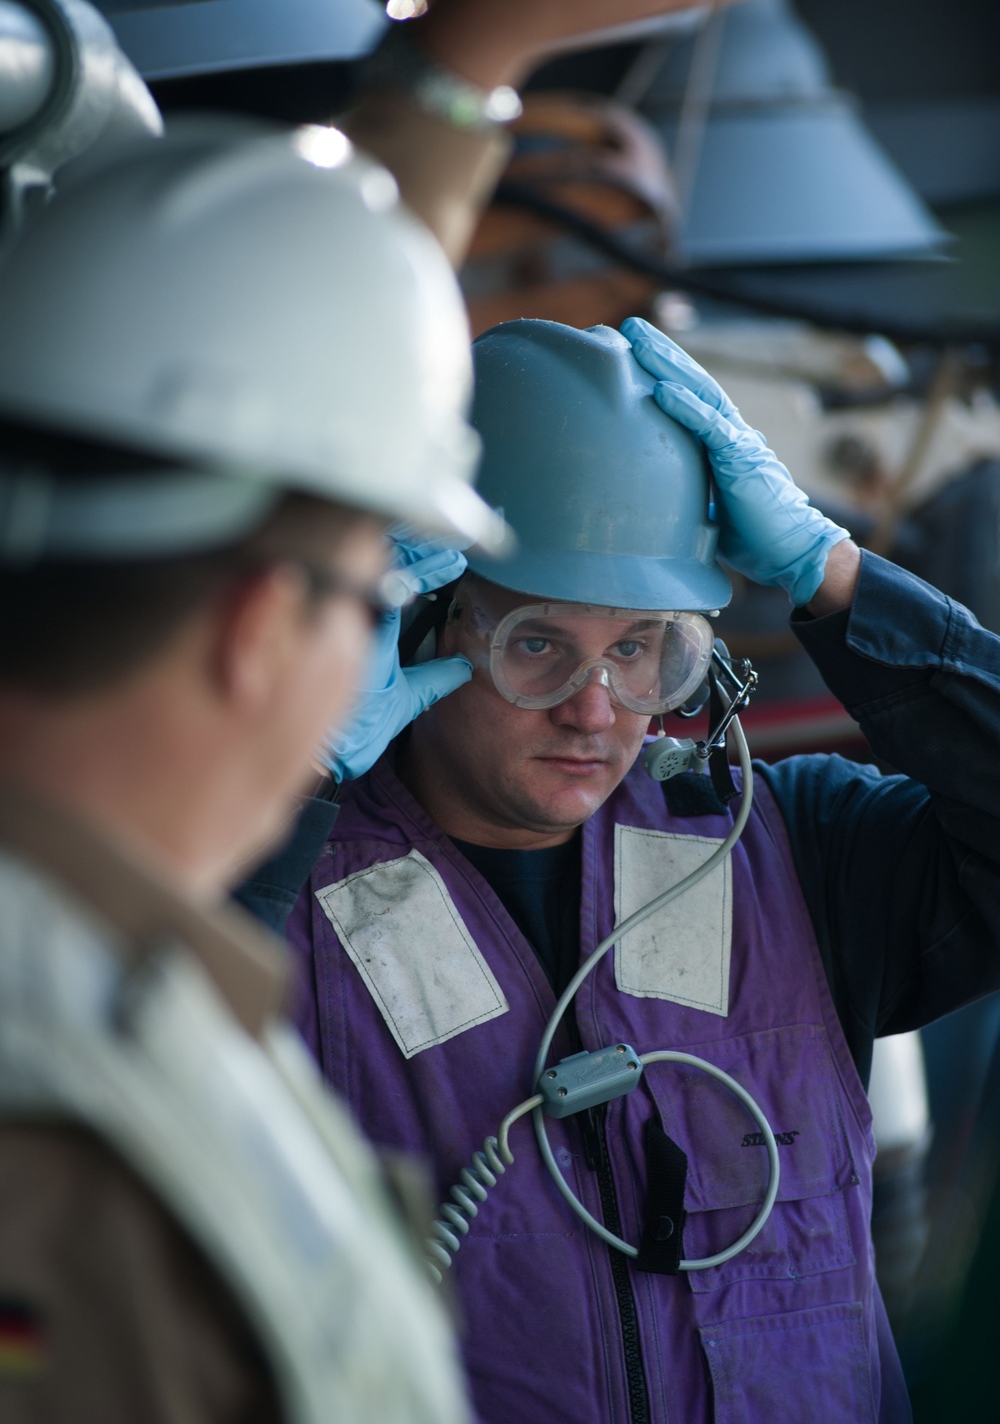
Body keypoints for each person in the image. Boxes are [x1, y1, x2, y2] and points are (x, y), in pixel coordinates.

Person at [0, 0, 775, 1419]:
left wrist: (467, 56)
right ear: (252, 631)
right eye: (382, 582)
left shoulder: (108, 996)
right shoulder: (69, 1151)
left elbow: (280, 403)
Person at [286, 318, 1000, 1424]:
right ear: (428, 623)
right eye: (537, 643)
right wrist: (284, 781)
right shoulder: (277, 903)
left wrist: (839, 581)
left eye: (639, 650)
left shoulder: (789, 850)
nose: (593, 707)